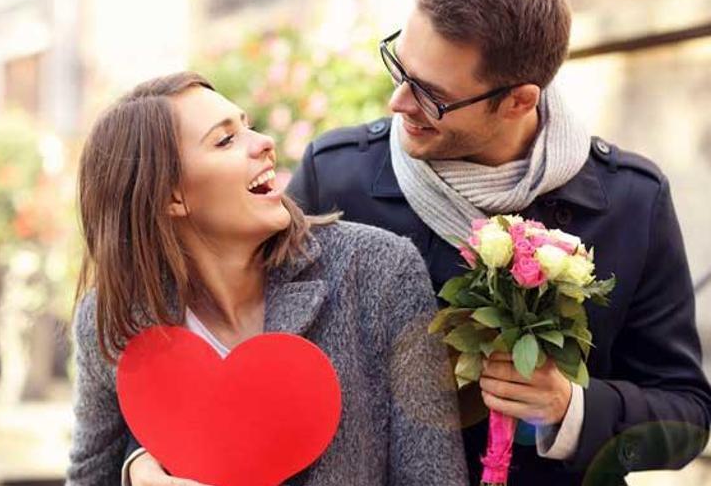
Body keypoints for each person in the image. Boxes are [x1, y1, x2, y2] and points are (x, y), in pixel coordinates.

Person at [287, 0, 711, 484]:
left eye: (431, 94)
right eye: (399, 67)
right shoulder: (335, 178)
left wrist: (571, 408)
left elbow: (687, 419)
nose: (397, 101)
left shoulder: (633, 202)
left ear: (518, 101)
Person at [65, 71, 468, 486]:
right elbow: (87, 476)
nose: (264, 143)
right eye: (225, 140)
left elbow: (434, 475)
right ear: (172, 196)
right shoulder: (112, 321)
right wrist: (136, 476)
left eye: (248, 126)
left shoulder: (380, 271)